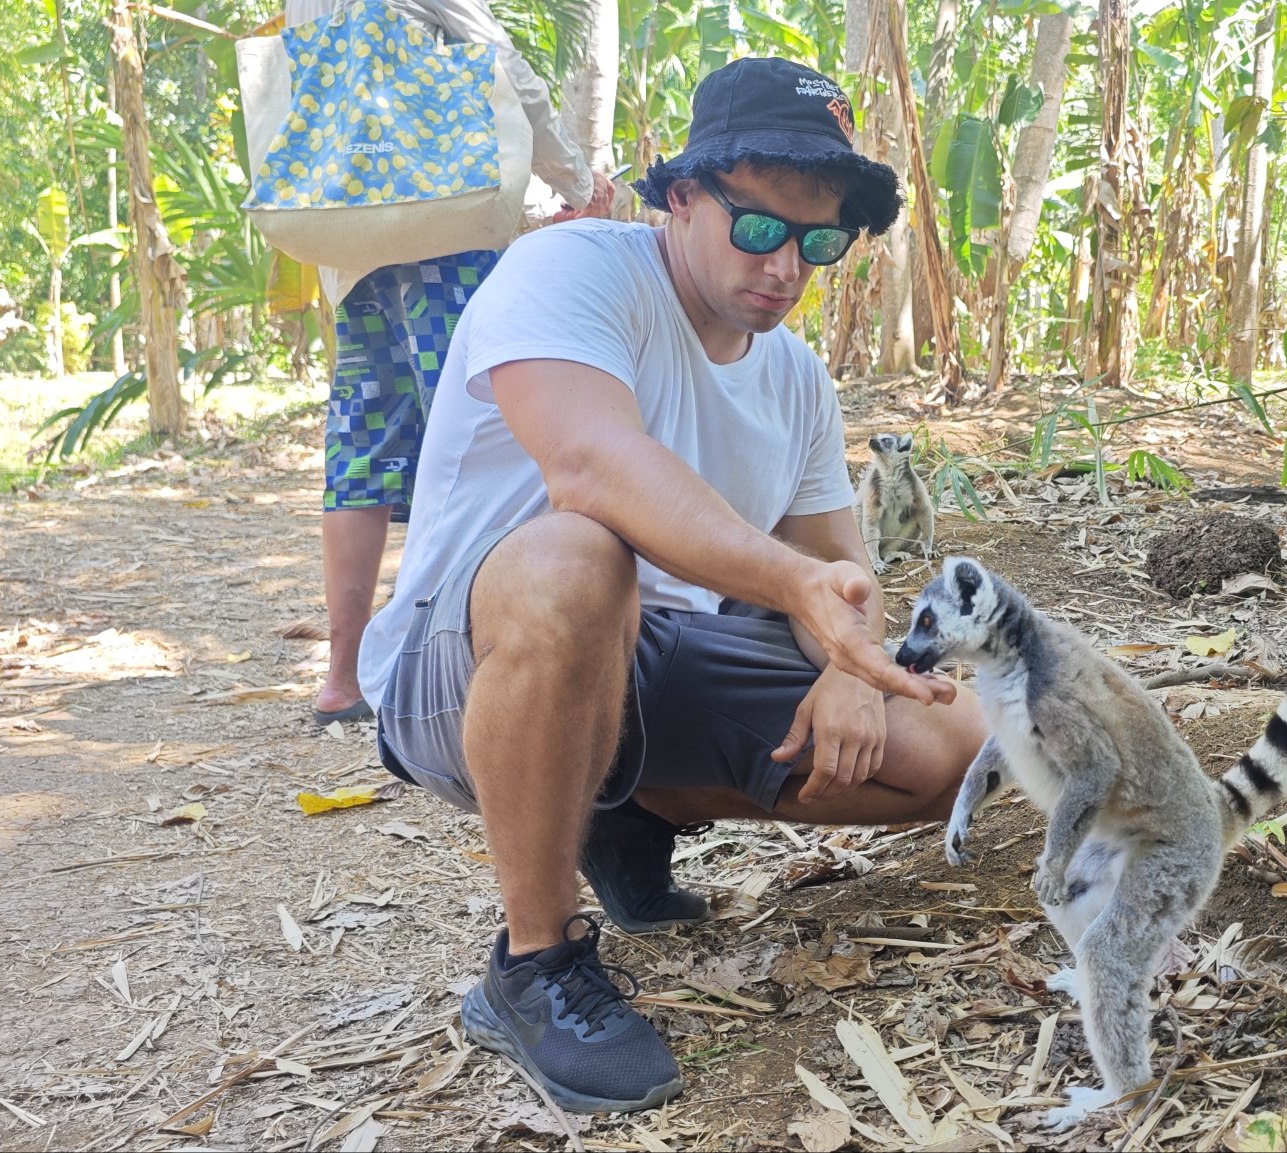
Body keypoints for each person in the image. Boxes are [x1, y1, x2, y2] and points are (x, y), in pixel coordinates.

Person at [358, 58, 990, 1112]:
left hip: (650, 665)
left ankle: (624, 813)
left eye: (818, 243)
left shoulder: (795, 378)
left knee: (951, 744)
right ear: (684, 195)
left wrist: (848, 662)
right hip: (466, 663)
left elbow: (842, 569)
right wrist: (792, 584)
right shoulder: (571, 271)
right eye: (760, 228)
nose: (785, 266)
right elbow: (591, 467)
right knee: (579, 553)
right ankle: (534, 963)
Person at [305, 0, 615, 725]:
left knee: (363, 443)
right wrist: (579, 182)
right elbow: (503, 67)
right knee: (484, 438)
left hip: (349, 238)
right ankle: (450, 665)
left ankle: (344, 679)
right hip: (443, 229)